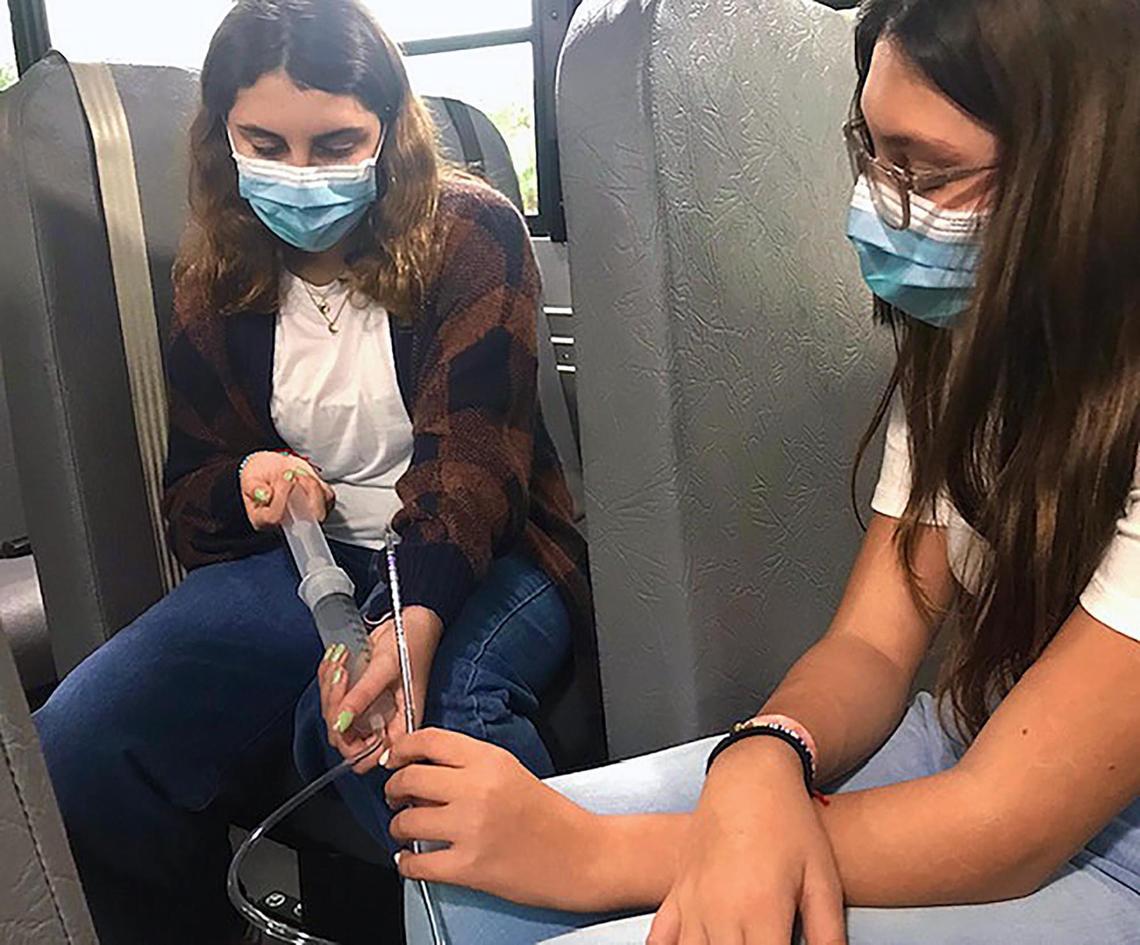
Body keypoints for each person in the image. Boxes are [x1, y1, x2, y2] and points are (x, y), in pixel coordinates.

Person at [376, 1, 1140, 943]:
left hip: (1096, 847)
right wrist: (768, 751)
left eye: (927, 170)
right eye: (874, 155)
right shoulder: (972, 348)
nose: (879, 202)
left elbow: (1005, 825)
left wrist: (595, 852)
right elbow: (872, 644)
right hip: (967, 736)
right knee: (453, 889)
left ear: (1088, 170)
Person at [32, 1, 592, 942]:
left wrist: (405, 631)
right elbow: (192, 501)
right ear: (224, 138)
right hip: (308, 563)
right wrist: (249, 483)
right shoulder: (216, 279)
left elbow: (472, 473)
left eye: (335, 145)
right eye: (266, 145)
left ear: (389, 132)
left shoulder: (470, 234)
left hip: (484, 551)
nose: (300, 175)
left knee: (424, 752)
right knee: (81, 746)